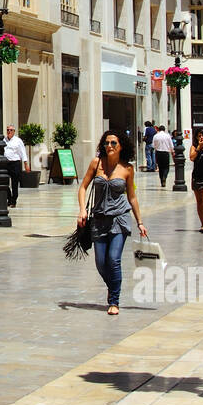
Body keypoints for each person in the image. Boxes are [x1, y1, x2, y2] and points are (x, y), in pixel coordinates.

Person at [76, 130, 147, 316]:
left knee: (113, 259)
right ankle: (112, 285)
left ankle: (114, 300)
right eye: (106, 143)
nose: (109, 146)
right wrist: (82, 209)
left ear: (121, 146)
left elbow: (132, 197)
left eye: (113, 143)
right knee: (101, 262)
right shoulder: (96, 163)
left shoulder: (127, 169)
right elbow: (83, 187)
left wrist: (140, 222)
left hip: (119, 218)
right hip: (99, 219)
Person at [3, 124, 29, 207]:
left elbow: (23, 152)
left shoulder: (18, 140)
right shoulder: (3, 140)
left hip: (15, 164)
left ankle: (13, 201)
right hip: (6, 164)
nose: (9, 131)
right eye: (8, 130)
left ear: (14, 131)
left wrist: (26, 164)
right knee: (4, 182)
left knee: (14, 183)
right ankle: (9, 198)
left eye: (11, 130)